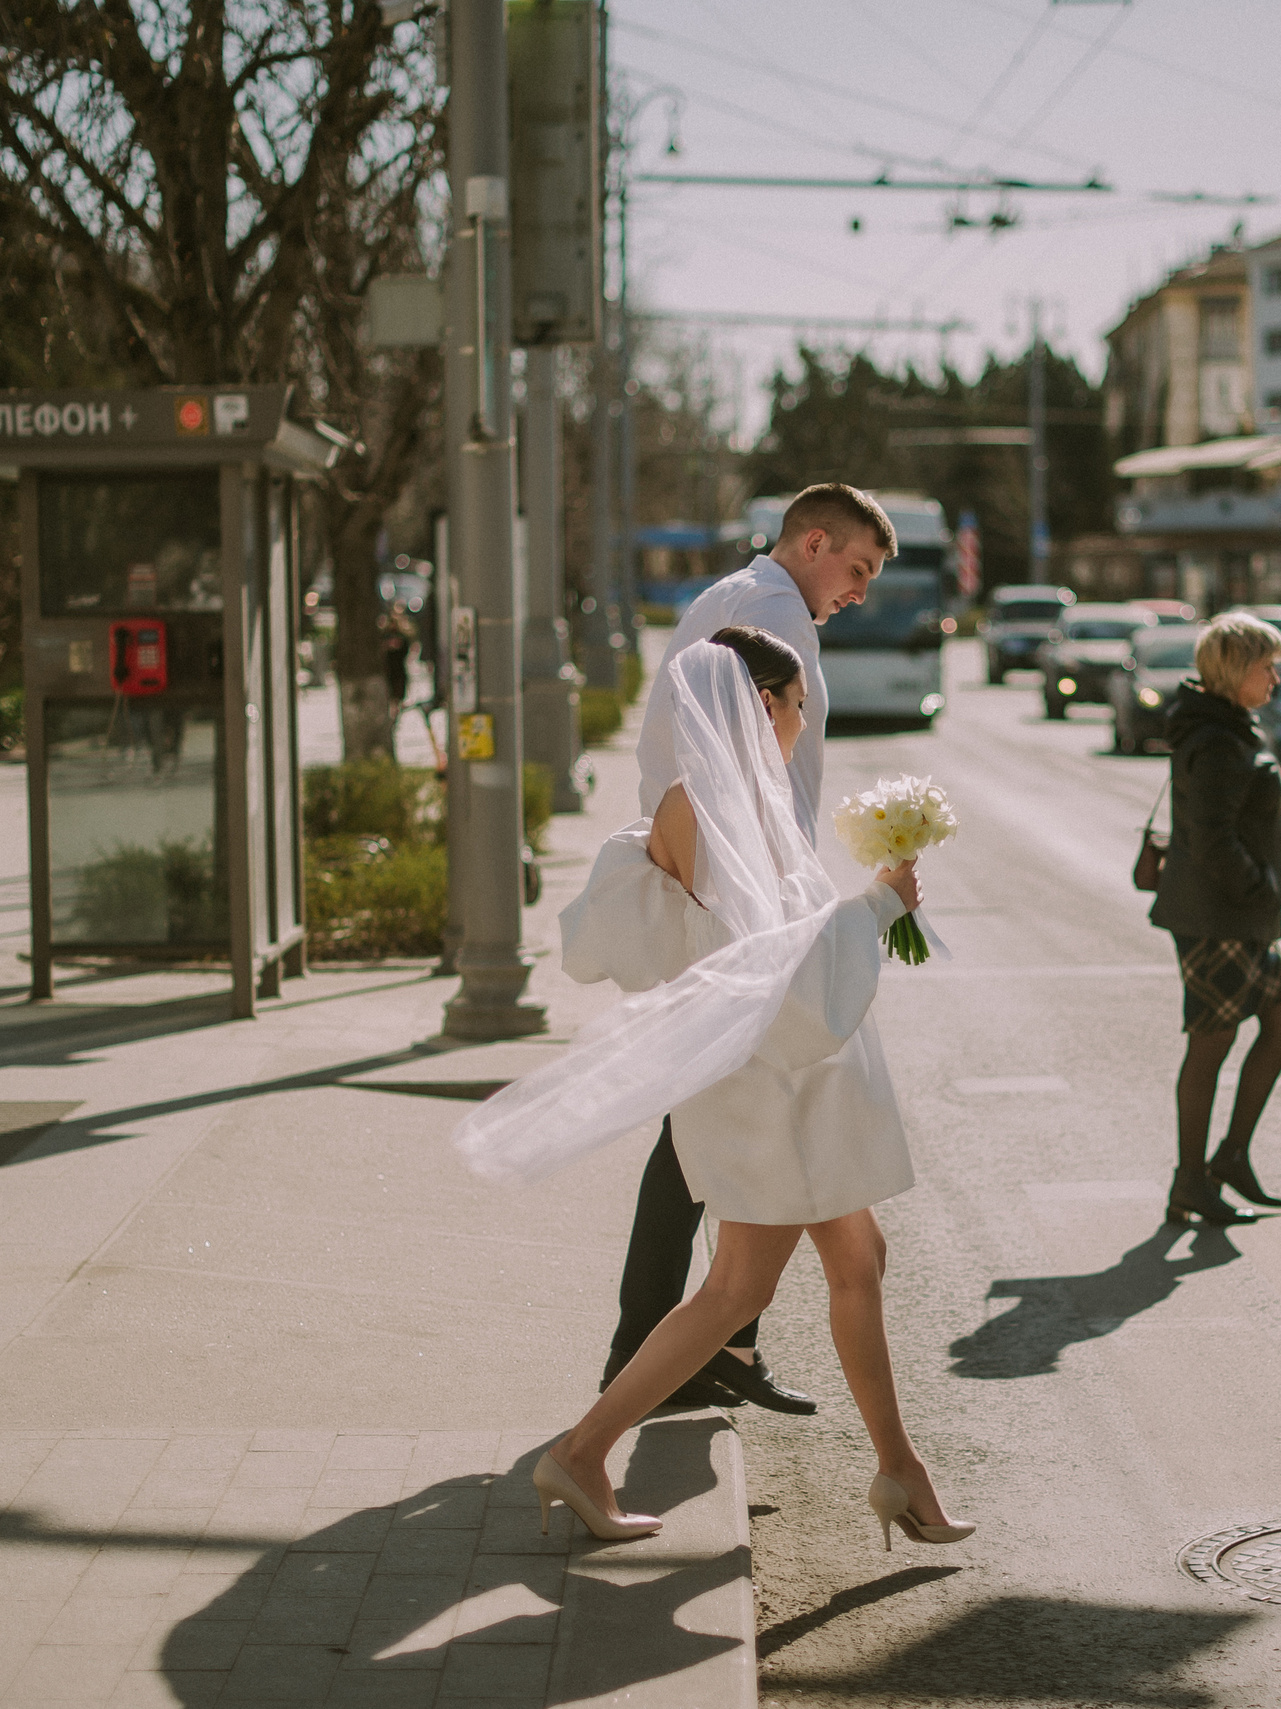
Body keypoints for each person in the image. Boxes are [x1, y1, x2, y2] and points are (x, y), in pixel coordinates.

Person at [469, 630, 971, 1550]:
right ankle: (582, 1451)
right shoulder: (701, 807)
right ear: (761, 703)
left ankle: (901, 1469)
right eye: (799, 703)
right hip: (759, 1086)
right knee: (738, 1287)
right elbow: (757, 961)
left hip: (789, 1082)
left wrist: (863, 908)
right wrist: (878, 906)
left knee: (859, 1259)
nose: (804, 721)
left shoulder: (737, 799)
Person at [601, 484, 893, 1415]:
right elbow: (780, 770)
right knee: (716, 1142)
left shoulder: (723, 595)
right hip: (741, 904)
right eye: (856, 569)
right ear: (814, 542)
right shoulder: (774, 614)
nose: (857, 592)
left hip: (702, 883)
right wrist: (798, 896)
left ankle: (693, 1348)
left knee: (698, 1146)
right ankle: (662, 1359)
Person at [1150, 612, 1281, 1228]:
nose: (1275, 678)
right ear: (1238, 671)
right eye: (1267, 667)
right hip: (1220, 919)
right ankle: (1190, 1181)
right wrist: (1258, 885)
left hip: (1240, 919)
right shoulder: (1216, 740)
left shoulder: (1226, 726)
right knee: (1210, 1046)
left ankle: (1232, 1156)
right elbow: (1212, 840)